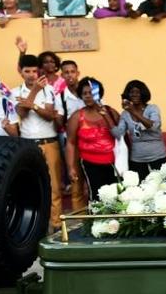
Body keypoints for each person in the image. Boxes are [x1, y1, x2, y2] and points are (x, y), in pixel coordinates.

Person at [12, 54, 62, 231]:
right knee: (31, 186)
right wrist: (33, 93)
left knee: (54, 186)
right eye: (27, 71)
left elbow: (50, 116)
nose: (32, 75)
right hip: (27, 145)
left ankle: (56, 225)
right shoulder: (15, 92)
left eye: (34, 70)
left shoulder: (49, 90)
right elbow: (21, 114)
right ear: (21, 73)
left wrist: (31, 104)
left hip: (49, 142)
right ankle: (34, 227)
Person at [66, 77, 120, 201]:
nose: (88, 96)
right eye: (84, 93)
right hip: (89, 162)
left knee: (115, 195)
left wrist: (106, 117)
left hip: (113, 162)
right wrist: (71, 167)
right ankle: (97, 221)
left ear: (99, 93)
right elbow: (70, 143)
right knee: (95, 195)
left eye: (91, 92)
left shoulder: (111, 112)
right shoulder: (77, 116)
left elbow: (121, 134)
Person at [112, 80, 166, 180]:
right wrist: (105, 117)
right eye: (131, 92)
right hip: (137, 160)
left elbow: (153, 125)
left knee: (163, 188)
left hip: (158, 157)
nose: (134, 95)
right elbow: (118, 134)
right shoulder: (125, 114)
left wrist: (133, 111)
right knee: (140, 191)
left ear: (143, 94)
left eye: (137, 92)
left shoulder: (152, 108)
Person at [56, 60, 88, 209]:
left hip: (92, 142)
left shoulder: (89, 92)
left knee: (93, 181)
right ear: (62, 76)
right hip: (73, 143)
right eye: (66, 72)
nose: (70, 75)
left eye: (72, 72)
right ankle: (79, 222)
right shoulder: (60, 97)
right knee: (76, 184)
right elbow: (59, 122)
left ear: (78, 73)